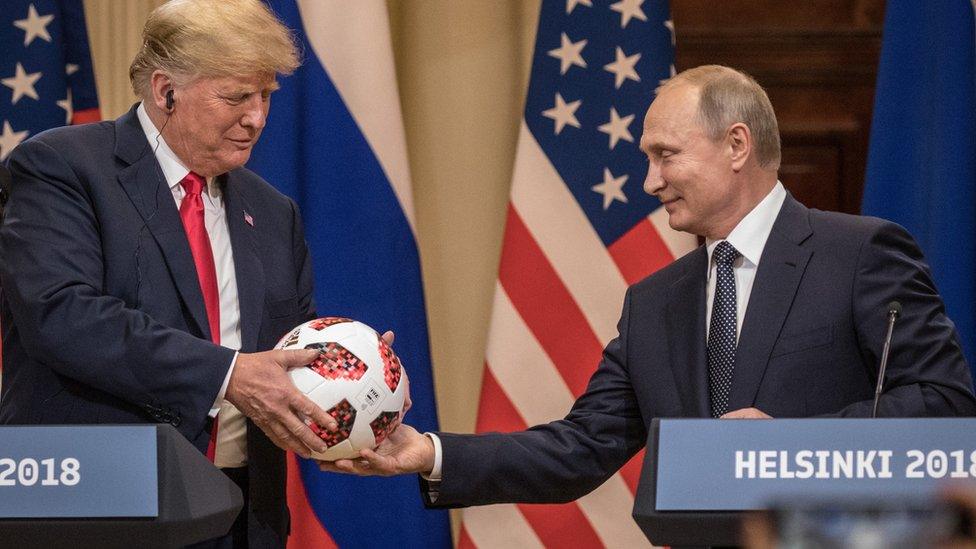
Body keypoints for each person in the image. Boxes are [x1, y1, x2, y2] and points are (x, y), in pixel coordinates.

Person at [321, 65, 976, 509]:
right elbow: (580, 447)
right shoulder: (655, 301)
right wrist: (426, 451)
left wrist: (791, 444)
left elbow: (946, 404)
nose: (650, 181)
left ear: (737, 145)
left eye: (666, 155)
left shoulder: (859, 252)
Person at [0, 1, 342, 546]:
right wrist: (227, 373)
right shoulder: (63, 167)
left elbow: (285, 353)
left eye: (265, 96)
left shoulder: (275, 213)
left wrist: (351, 379)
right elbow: (62, 315)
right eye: (235, 97)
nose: (256, 117)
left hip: (239, 517)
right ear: (165, 91)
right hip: (97, 507)